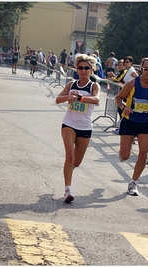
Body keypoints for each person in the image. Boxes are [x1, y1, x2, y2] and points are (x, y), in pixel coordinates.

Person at [115, 58, 148, 196]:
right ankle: (123, 151)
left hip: (145, 123)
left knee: (143, 154)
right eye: (146, 69)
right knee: (125, 156)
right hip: (129, 121)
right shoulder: (132, 83)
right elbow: (118, 98)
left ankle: (133, 182)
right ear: (142, 69)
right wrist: (124, 107)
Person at [55, 54, 101, 203]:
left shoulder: (94, 86)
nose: (83, 70)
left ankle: (68, 171)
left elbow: (96, 100)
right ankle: (67, 189)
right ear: (76, 69)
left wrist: (80, 98)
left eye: (86, 68)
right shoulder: (71, 85)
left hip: (85, 127)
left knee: (76, 162)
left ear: (91, 69)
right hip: (69, 124)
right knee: (70, 156)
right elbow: (58, 99)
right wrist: (68, 97)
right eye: (80, 68)